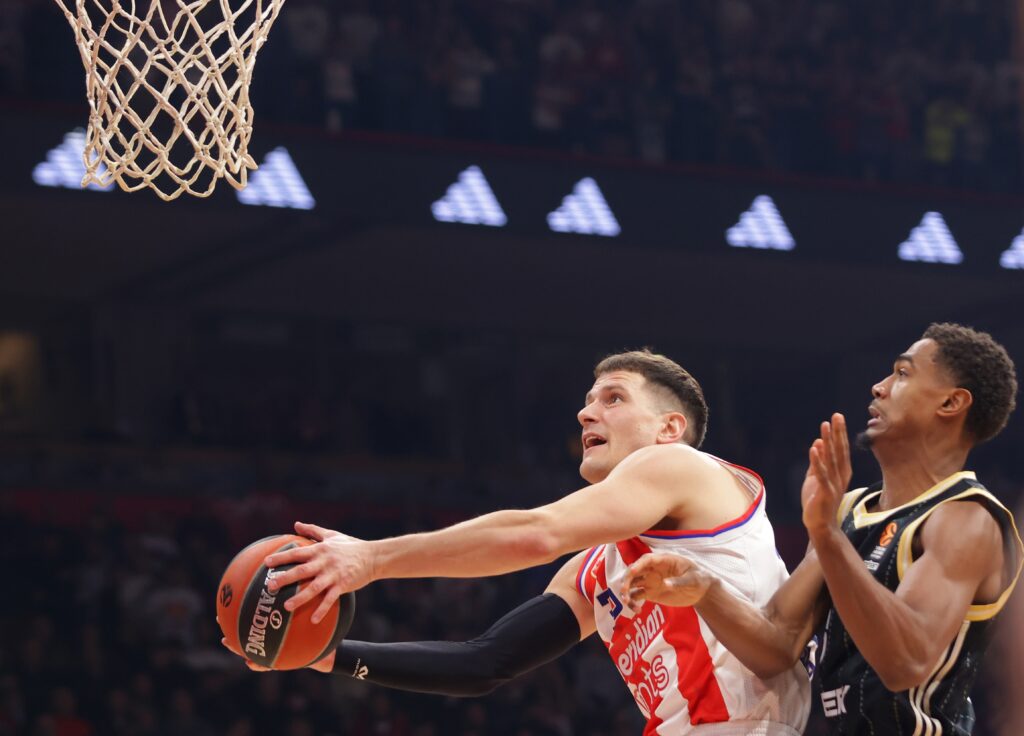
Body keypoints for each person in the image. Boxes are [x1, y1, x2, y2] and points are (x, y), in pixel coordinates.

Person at [229, 350, 811, 734]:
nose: (587, 411)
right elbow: (485, 663)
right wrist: (323, 654)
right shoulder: (596, 569)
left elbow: (538, 533)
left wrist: (372, 557)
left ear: (668, 428)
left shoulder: (682, 465)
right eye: (588, 400)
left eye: (613, 398)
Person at [621, 323, 1024, 734]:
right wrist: (706, 589)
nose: (879, 387)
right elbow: (779, 642)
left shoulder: (967, 518)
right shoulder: (850, 508)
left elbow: (906, 663)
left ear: (952, 402)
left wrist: (827, 536)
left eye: (902, 374)